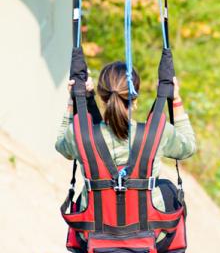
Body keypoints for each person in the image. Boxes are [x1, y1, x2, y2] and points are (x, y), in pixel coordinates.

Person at [56, 61, 197, 214]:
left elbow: (62, 145)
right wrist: (175, 99)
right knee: (168, 188)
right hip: (150, 232)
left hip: (93, 231)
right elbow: (188, 147)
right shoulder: (158, 133)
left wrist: (73, 100)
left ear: (103, 100)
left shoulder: (79, 134)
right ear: (134, 101)